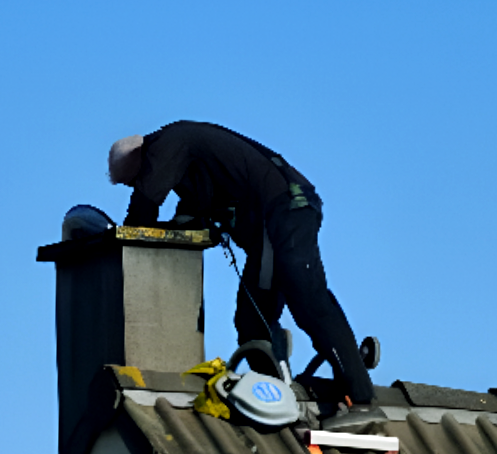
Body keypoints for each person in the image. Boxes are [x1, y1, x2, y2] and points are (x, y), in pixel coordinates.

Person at [108, 121, 384, 428]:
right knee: (253, 319)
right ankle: (276, 402)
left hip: (285, 209)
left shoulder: (167, 143)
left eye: (132, 180)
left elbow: (144, 206)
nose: (135, 186)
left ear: (140, 159)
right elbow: (190, 218)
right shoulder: (190, 162)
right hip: (275, 220)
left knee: (309, 301)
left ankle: (361, 400)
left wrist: (128, 236)